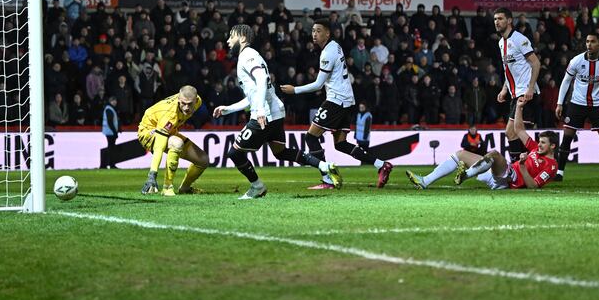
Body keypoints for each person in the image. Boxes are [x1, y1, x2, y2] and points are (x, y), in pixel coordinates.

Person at [213, 25, 340, 199]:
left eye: (231, 37)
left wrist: (258, 111)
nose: (227, 41)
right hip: (274, 111)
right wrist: (228, 109)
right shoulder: (249, 56)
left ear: (242, 38)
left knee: (234, 153)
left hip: (264, 114)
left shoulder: (247, 55)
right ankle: (324, 166)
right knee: (281, 152)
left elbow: (261, 80)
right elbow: (254, 93)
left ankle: (257, 186)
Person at [281, 19, 393, 189]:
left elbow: (318, 84)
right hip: (347, 100)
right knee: (340, 144)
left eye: (319, 31)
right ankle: (381, 165)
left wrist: (294, 90)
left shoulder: (327, 53)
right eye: (313, 31)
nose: (314, 34)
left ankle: (327, 179)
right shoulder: (335, 46)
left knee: (311, 137)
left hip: (336, 100)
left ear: (327, 33)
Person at [406, 97, 557, 191]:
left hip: (510, 179)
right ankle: (424, 181)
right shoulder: (535, 149)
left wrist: (522, 166)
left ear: (552, 146)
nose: (539, 145)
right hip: (499, 175)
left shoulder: (551, 166)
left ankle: (465, 175)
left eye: (543, 143)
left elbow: (533, 186)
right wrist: (518, 107)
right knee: (461, 154)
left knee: (494, 154)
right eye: (539, 142)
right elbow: (518, 129)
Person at [554, 33, 599, 182]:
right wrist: (559, 103)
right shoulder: (576, 61)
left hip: (597, 105)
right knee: (567, 138)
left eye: (593, 42)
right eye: (587, 41)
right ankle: (559, 173)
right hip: (576, 104)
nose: (589, 44)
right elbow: (566, 81)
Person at [137, 85, 209, 196]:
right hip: (148, 131)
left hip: (170, 130)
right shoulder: (169, 114)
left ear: (196, 101)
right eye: (183, 103)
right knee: (177, 143)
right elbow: (159, 147)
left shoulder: (198, 102)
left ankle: (185, 189)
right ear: (178, 100)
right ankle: (167, 187)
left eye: (189, 104)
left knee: (203, 160)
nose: (186, 107)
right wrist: (152, 174)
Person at [493, 7, 541, 162]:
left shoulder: (520, 39)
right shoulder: (501, 43)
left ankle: (541, 161)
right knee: (512, 132)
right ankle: (520, 167)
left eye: (500, 19)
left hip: (525, 92)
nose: (497, 22)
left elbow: (536, 63)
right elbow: (509, 69)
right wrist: (504, 88)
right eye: (495, 19)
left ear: (509, 20)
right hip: (515, 93)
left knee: (516, 131)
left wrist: (530, 88)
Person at [101, 96, 120, 169]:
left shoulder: (109, 108)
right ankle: (111, 164)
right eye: (113, 101)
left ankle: (106, 164)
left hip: (109, 132)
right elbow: (110, 122)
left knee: (110, 148)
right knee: (111, 149)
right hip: (110, 132)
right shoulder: (109, 109)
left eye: (115, 100)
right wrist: (115, 132)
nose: (115, 102)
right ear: (110, 101)